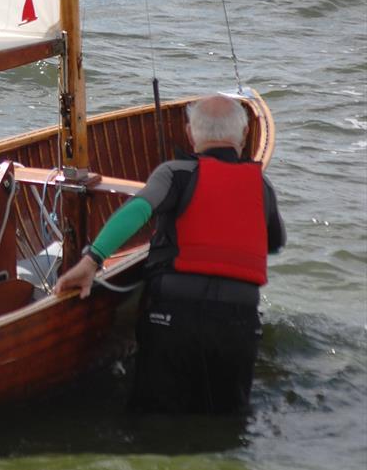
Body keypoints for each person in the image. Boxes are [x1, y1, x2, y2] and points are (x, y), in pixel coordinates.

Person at [54, 94, 286, 414]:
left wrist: (92, 260)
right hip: (238, 325)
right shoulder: (261, 186)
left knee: (153, 422)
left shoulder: (174, 173)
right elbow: (274, 242)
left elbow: (137, 210)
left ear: (190, 134)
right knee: (228, 426)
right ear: (245, 136)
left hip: (173, 320)